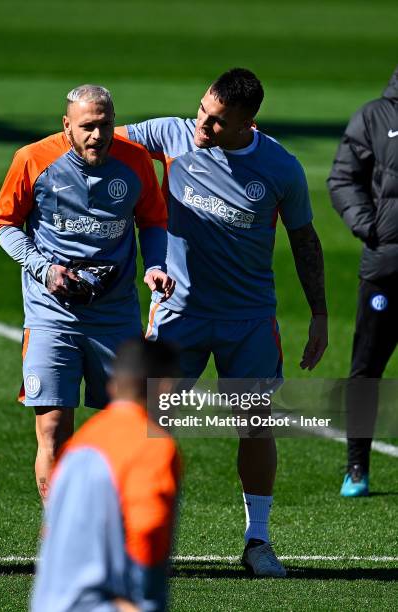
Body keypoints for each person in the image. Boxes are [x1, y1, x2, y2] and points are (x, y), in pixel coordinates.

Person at [116, 67, 328, 577]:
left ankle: (258, 541)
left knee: (255, 425)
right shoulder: (170, 133)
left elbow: (304, 240)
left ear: (246, 124)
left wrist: (319, 313)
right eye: (201, 113)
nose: (201, 128)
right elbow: (99, 142)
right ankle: (137, 535)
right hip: (179, 313)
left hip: (248, 319)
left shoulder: (280, 168)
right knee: (145, 422)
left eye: (215, 123)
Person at [0, 85, 174, 502]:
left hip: (114, 316)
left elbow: (152, 220)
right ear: (67, 126)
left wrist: (156, 267)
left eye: (105, 125)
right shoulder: (33, 159)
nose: (98, 136)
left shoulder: (134, 162)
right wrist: (43, 268)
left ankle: (115, 524)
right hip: (51, 315)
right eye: (88, 127)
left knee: (129, 425)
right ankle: (60, 529)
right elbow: (4, 224)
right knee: (53, 427)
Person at [31, 338, 181, 612]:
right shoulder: (152, 445)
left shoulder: (79, 444)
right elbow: (148, 533)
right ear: (165, 387)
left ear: (114, 387)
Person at [327, 66, 398, 497]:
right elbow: (342, 178)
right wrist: (371, 227)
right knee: (366, 369)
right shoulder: (374, 117)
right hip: (387, 268)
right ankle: (357, 467)